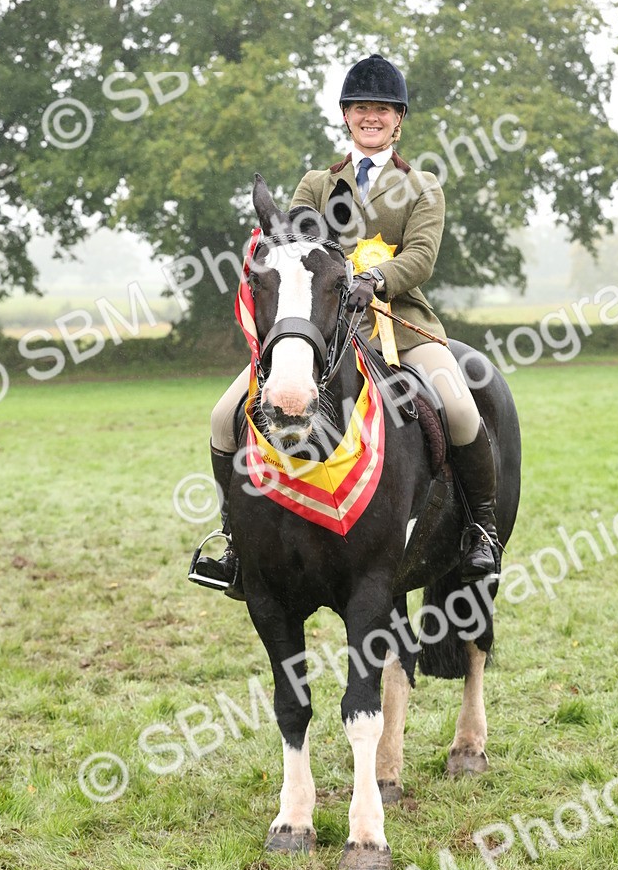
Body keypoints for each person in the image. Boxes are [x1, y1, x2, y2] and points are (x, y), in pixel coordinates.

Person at [193, 53, 499, 597]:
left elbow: (421, 257)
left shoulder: (422, 186)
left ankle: (481, 530)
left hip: (397, 324)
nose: (370, 117)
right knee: (222, 417)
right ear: (345, 116)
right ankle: (235, 542)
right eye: (360, 108)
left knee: (460, 408)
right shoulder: (317, 183)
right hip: (321, 328)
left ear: (398, 120)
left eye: (382, 109)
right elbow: (289, 245)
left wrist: (375, 279)